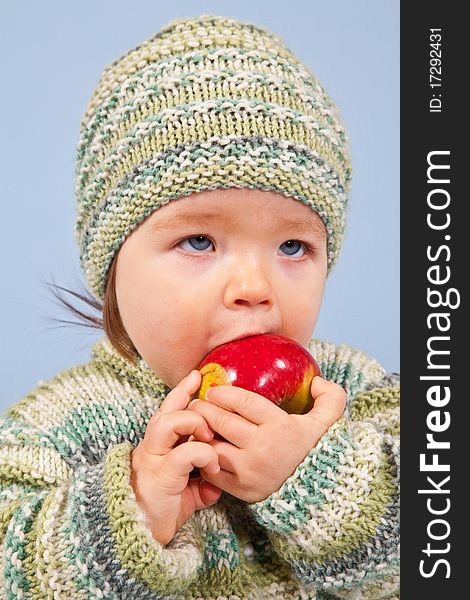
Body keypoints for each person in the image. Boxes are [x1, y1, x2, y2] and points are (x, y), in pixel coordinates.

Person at [0, 14, 399, 599]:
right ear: (113, 267)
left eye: (293, 246)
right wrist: (130, 514)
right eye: (199, 242)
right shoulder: (54, 430)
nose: (254, 286)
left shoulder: (353, 397)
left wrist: (318, 476)